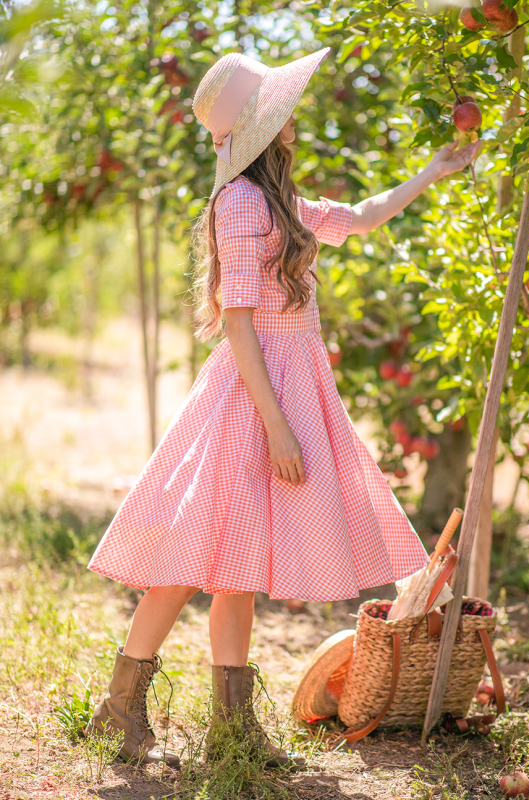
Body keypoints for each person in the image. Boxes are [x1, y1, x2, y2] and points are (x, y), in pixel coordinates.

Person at [86, 47, 481, 770]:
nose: (293, 117)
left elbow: (360, 216)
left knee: (232, 563)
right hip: (252, 394)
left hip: (285, 383)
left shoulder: (281, 205)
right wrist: (277, 427)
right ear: (263, 129)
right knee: (190, 557)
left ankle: (230, 729)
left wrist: (434, 171)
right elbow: (238, 321)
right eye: (279, 110)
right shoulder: (239, 204)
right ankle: (121, 708)